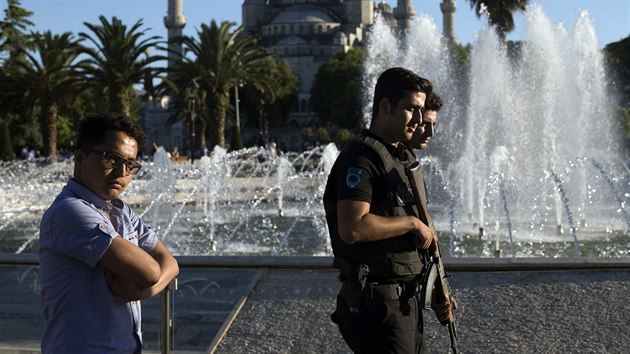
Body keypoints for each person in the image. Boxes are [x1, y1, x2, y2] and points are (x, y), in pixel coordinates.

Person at [323, 67, 455, 353]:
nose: (419, 120)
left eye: (421, 110)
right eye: (411, 109)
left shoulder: (402, 157)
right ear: (385, 106)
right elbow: (353, 227)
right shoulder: (361, 159)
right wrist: (411, 224)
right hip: (378, 309)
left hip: (406, 304)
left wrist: (437, 291)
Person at [39, 112, 180, 353]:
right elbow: (150, 270)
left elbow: (170, 263)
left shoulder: (122, 211)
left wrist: (141, 292)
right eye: (111, 158)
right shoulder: (70, 212)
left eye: (131, 164)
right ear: (80, 158)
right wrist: (147, 280)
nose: (122, 172)